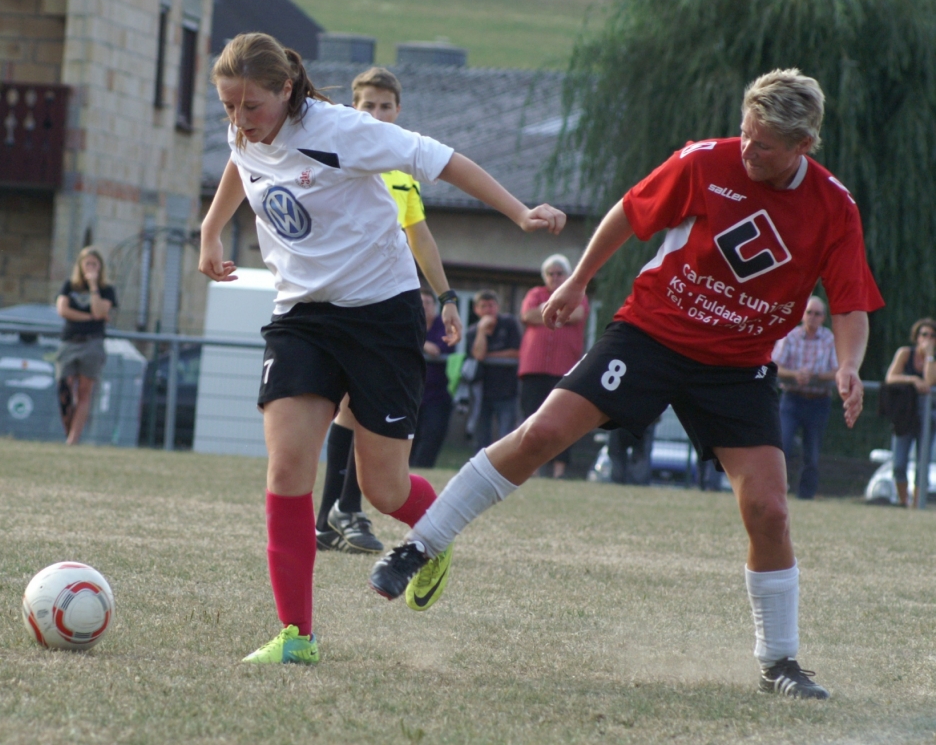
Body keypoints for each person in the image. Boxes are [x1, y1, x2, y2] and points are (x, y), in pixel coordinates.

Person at [371, 68, 884, 699]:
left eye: (766, 145)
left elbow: (851, 302)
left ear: (804, 146)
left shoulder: (834, 207)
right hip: (652, 335)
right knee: (541, 433)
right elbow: (628, 213)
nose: (749, 150)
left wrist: (849, 364)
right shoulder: (704, 162)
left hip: (738, 365)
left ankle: (779, 664)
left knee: (769, 510)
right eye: (746, 134)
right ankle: (420, 546)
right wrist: (578, 279)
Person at [199, 33, 565, 664]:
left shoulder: (345, 130)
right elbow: (242, 163)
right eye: (229, 107)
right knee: (288, 468)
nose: (238, 121)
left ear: (286, 91)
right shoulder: (246, 131)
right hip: (301, 319)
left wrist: (518, 213)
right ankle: (296, 638)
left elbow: (441, 159)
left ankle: (434, 535)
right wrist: (210, 230)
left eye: (251, 106)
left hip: (381, 315)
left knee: (384, 488)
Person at [314, 67, 462, 554]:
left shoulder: (401, 171)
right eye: (367, 106)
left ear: (398, 112)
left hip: (384, 303)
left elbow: (419, 236)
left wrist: (446, 298)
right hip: (341, 302)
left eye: (384, 107)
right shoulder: (336, 161)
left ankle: (334, 514)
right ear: (350, 110)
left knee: (355, 410)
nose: (376, 115)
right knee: (351, 409)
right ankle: (342, 512)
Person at [518, 254, 588, 478]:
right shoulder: (535, 293)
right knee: (532, 417)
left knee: (563, 422)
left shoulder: (577, 293)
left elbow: (576, 314)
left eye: (559, 273)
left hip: (564, 369)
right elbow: (527, 314)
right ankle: (534, 469)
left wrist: (545, 312)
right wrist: (559, 314)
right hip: (534, 368)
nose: (555, 277)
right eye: (551, 274)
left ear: (567, 275)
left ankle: (559, 471)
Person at [772, 296, 839, 500]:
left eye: (817, 313)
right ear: (802, 314)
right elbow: (775, 366)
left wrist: (815, 377)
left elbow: (838, 371)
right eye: (809, 312)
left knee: (812, 453)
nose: (812, 317)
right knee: (782, 445)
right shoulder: (789, 336)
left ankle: (805, 495)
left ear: (823, 318)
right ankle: (777, 490)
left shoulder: (830, 339)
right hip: (791, 398)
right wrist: (795, 375)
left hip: (818, 401)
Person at [54, 247, 116, 446]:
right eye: (87, 264)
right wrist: (89, 317)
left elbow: (100, 311)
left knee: (84, 391)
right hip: (70, 341)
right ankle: (69, 431)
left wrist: (93, 286)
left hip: (93, 342)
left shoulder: (106, 290)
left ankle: (73, 440)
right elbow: (63, 310)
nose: (90, 268)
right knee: (64, 387)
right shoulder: (69, 286)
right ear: (80, 266)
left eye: (94, 264)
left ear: (100, 267)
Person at [883, 318, 936, 507]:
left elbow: (930, 382)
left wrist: (929, 356)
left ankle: (917, 504)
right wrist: (912, 379)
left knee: (923, 464)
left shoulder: (933, 360)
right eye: (924, 334)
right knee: (899, 463)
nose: (927, 338)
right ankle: (903, 501)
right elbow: (890, 377)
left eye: (932, 335)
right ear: (916, 337)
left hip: (928, 418)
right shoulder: (905, 353)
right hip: (905, 415)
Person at [466, 290, 522, 450]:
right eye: (483, 306)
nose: (488, 310)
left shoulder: (509, 323)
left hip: (508, 391)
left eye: (491, 305)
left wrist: (489, 354)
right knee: (482, 436)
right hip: (482, 392)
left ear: (497, 307)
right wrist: (481, 331)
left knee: (507, 435)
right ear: (476, 310)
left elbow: (516, 353)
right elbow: (478, 355)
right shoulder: (472, 331)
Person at [410, 288, 455, 467]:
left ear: (435, 307)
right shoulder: (410, 324)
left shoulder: (443, 326)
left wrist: (420, 344)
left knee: (432, 435)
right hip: (411, 392)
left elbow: (440, 350)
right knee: (410, 436)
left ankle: (422, 471)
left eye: (428, 302)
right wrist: (424, 344)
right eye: (420, 302)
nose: (424, 306)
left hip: (437, 394)